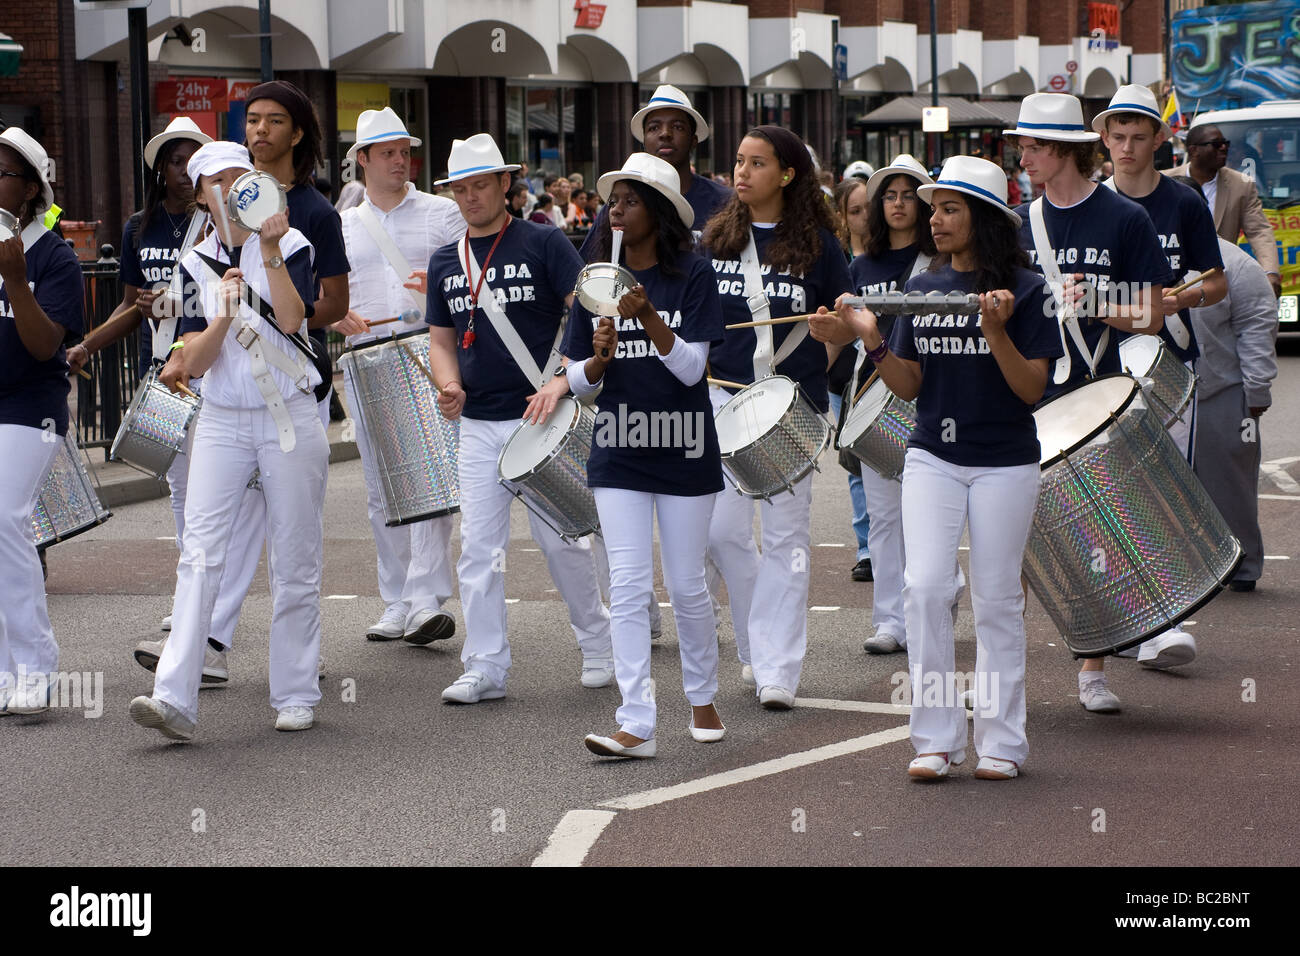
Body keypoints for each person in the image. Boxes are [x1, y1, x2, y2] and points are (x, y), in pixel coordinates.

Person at [837, 155, 1062, 780]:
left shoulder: (1029, 290)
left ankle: (1002, 743)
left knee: (995, 600)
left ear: (985, 217)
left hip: (1004, 462)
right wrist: (870, 338)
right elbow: (907, 386)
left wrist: (996, 332)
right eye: (934, 209)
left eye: (949, 208)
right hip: (932, 454)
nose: (934, 219)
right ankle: (935, 739)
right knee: (926, 588)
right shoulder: (927, 289)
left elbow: (1029, 391)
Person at [134, 79, 350, 679]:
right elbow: (196, 343)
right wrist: (208, 327)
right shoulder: (197, 254)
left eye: (238, 180)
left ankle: (293, 684)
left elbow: (306, 312)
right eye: (217, 183)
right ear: (201, 195)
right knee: (202, 550)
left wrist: (275, 256)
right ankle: (182, 680)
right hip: (226, 412)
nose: (232, 190)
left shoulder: (306, 219)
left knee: (291, 552)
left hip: (289, 403)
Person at [424, 133, 613, 703]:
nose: (469, 196)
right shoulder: (444, 259)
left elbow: (587, 312)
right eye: (460, 187)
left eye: (480, 184)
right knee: (478, 549)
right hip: (478, 422)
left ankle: (599, 645)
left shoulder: (545, 241)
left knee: (561, 542)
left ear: (506, 183)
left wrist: (564, 377)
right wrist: (448, 383)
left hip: (541, 415)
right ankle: (485, 666)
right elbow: (441, 340)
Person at [1005, 92, 1172, 713]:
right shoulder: (1018, 224)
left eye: (1031, 146)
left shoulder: (1123, 218)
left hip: (1091, 395)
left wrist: (1097, 301)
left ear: (1060, 149)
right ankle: (1004, 672)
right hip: (1025, 392)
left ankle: (1093, 671)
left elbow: (1153, 315)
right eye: (1021, 146)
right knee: (1013, 540)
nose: (1022, 156)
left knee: (1089, 537)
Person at [562, 154, 726, 759]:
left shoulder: (693, 275)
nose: (616, 210)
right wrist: (600, 359)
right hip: (619, 449)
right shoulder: (595, 279)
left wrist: (650, 319)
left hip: (684, 446)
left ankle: (703, 696)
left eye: (629, 200)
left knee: (686, 586)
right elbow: (577, 380)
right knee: (629, 586)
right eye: (612, 201)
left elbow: (692, 371)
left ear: (656, 211)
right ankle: (635, 721)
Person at [702, 125, 853, 708]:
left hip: (793, 405)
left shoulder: (820, 246)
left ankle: (777, 670)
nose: (741, 173)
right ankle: (753, 641)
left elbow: (846, 323)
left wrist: (833, 332)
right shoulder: (716, 239)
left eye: (756, 163)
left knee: (788, 538)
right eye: (738, 162)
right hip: (723, 400)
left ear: (787, 175)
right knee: (720, 533)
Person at [1094, 85, 1227, 670]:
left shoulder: (1184, 202)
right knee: (1111, 495)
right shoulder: (1092, 205)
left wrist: (1180, 297)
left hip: (1170, 359)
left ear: (1158, 139)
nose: (1126, 147)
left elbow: (1217, 281)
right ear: (1103, 139)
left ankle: (1163, 623)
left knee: (1166, 492)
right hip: (1104, 365)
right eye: (1116, 136)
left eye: (1137, 137)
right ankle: (1122, 618)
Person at [66, 116, 211, 633]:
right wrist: (86, 345)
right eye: (177, 161)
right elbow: (130, 305)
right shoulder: (137, 227)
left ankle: (210, 597)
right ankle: (192, 595)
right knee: (179, 486)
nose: (187, 171)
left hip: (212, 370)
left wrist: (181, 300)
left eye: (195, 161)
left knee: (218, 492)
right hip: (163, 373)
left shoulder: (219, 222)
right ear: (160, 169)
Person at [335, 107, 463, 644]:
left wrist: (440, 289)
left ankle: (423, 598)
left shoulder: (441, 213)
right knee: (380, 488)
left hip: (428, 353)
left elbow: (471, 277)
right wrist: (336, 314)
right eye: (387, 152)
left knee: (430, 479)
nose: (399, 161)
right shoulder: (340, 224)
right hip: (366, 359)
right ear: (361, 159)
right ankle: (396, 599)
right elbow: (322, 291)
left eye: (404, 151)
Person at [0, 128, 83, 716]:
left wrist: (13, 279)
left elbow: (42, 345)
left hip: (30, 409)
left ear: (30, 189)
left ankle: (36, 663)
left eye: (2, 173)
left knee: (5, 518)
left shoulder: (53, 255)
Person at [850, 154, 940, 654]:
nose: (899, 204)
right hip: (874, 395)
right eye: (890, 195)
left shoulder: (942, 261)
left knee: (930, 511)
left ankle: (938, 592)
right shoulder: (862, 264)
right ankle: (890, 620)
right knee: (883, 515)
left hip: (931, 394)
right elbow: (848, 332)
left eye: (909, 195)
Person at [1171, 177, 1277, 593]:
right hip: (1156, 395)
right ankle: (1182, 570)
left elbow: (1257, 329)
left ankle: (1243, 565)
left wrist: (1256, 393)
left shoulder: (1234, 264)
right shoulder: (1142, 256)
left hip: (1221, 394)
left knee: (1229, 487)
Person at [581, 84, 731, 255]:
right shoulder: (617, 206)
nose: (665, 134)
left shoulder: (725, 202)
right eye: (654, 127)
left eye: (677, 127)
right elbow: (590, 264)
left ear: (694, 140)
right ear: (644, 140)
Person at [1168, 124, 1281, 298]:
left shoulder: (1241, 184)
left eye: (1226, 143)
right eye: (1216, 144)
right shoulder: (1165, 181)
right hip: (1172, 286)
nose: (1224, 148)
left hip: (1220, 285)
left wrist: (1270, 273)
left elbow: (1259, 232)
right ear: (1194, 150)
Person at [830, 175, 874, 582]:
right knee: (856, 467)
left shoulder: (884, 260)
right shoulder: (840, 262)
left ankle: (884, 544)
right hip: (845, 379)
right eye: (855, 211)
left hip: (883, 376)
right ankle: (866, 548)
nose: (863, 217)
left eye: (867, 208)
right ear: (842, 217)